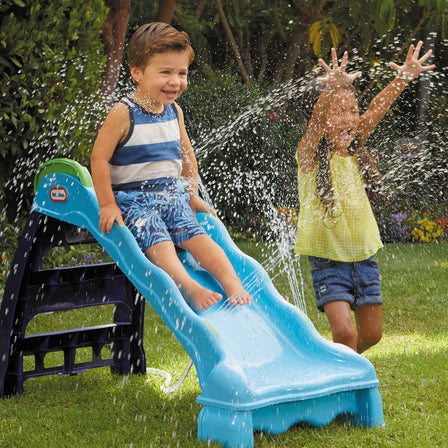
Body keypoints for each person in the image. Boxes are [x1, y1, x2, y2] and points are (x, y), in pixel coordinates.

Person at [90, 22, 252, 311]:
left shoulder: (174, 111)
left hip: (170, 195)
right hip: (133, 201)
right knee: (156, 234)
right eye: (165, 72)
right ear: (137, 72)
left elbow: (187, 158)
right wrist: (107, 204)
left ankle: (231, 281)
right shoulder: (123, 112)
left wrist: (190, 194)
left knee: (197, 235)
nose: (175, 81)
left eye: (182, 73)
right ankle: (187, 285)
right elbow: (99, 159)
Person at [295, 42, 435, 353]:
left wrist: (404, 78)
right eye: (339, 111)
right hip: (328, 261)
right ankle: (341, 380)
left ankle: (337, 368)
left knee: (372, 335)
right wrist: (331, 89)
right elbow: (318, 122)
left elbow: (376, 109)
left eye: (352, 111)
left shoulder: (357, 149)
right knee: (344, 332)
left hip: (364, 260)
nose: (348, 118)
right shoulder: (310, 157)